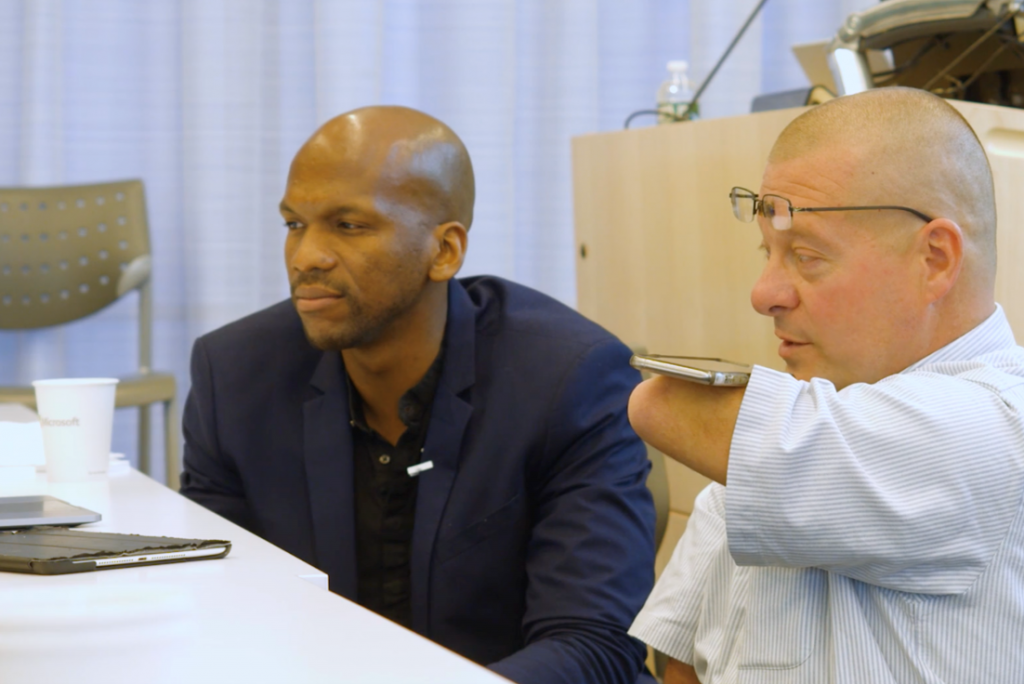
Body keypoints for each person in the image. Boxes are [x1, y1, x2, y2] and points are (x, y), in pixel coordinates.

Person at [179, 105, 656, 684]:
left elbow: (594, 645)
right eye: (294, 224)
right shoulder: (234, 377)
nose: (305, 257)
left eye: (348, 225)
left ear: (445, 251)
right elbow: (215, 607)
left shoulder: (569, 380)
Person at [626, 87, 1024, 683]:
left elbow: (661, 405)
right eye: (768, 253)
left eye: (807, 256)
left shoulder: (996, 425)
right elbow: (679, 662)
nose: (764, 294)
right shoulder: (796, 432)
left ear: (935, 260)